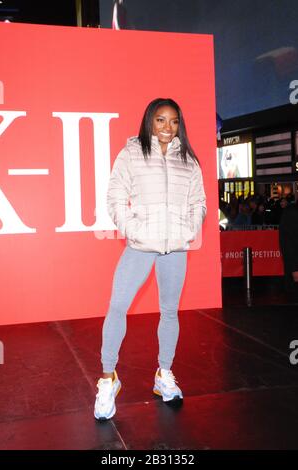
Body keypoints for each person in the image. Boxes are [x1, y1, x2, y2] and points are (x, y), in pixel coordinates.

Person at [94, 98, 207, 421]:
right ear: (149, 121)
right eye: (160, 120)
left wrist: (188, 228)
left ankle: (164, 374)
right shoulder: (132, 153)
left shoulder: (188, 159)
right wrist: (134, 229)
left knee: (169, 311)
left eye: (173, 121)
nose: (167, 128)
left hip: (175, 248)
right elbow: (114, 196)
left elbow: (198, 201)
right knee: (117, 307)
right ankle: (107, 378)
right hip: (141, 245)